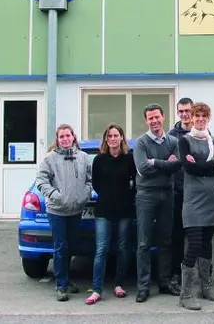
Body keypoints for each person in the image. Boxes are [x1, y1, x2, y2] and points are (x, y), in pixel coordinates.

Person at [35, 124, 92, 302]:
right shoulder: (49, 159)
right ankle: (61, 285)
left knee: (70, 247)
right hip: (57, 210)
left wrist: (83, 196)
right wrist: (56, 196)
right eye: (62, 137)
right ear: (57, 139)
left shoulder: (83, 157)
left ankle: (67, 280)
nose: (65, 139)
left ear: (73, 137)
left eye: (68, 135)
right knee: (60, 247)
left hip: (75, 210)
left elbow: (89, 180)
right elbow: (41, 181)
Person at [178, 102, 214, 310]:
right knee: (194, 244)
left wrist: (199, 165)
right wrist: (208, 166)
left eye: (204, 116)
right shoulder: (184, 141)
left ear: (208, 118)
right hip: (193, 200)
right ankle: (185, 293)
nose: (200, 119)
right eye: (197, 116)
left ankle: (206, 287)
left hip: (212, 198)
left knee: (206, 244)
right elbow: (188, 168)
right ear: (192, 117)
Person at [133, 104, 182, 303]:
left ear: (164, 117)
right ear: (146, 121)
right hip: (146, 195)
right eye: (150, 118)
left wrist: (155, 162)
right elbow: (143, 168)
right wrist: (165, 164)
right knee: (144, 243)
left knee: (165, 241)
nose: (154, 121)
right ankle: (143, 287)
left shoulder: (173, 141)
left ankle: (164, 282)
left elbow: (177, 164)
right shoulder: (141, 143)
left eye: (157, 117)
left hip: (167, 194)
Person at [85, 123, 136, 305]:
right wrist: (108, 196)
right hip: (104, 209)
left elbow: (135, 183)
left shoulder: (129, 159)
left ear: (121, 138)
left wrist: (127, 197)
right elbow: (96, 184)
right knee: (101, 249)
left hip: (125, 209)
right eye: (110, 136)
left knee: (123, 248)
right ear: (106, 139)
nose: (113, 138)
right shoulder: (99, 160)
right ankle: (96, 289)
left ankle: (118, 284)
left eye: (116, 135)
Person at [167, 97, 194, 291]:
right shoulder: (171, 135)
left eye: (188, 111)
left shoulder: (201, 132)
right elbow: (166, 160)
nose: (185, 114)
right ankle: (175, 274)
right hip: (177, 192)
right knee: (176, 236)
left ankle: (200, 274)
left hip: (196, 194)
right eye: (181, 111)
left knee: (197, 236)